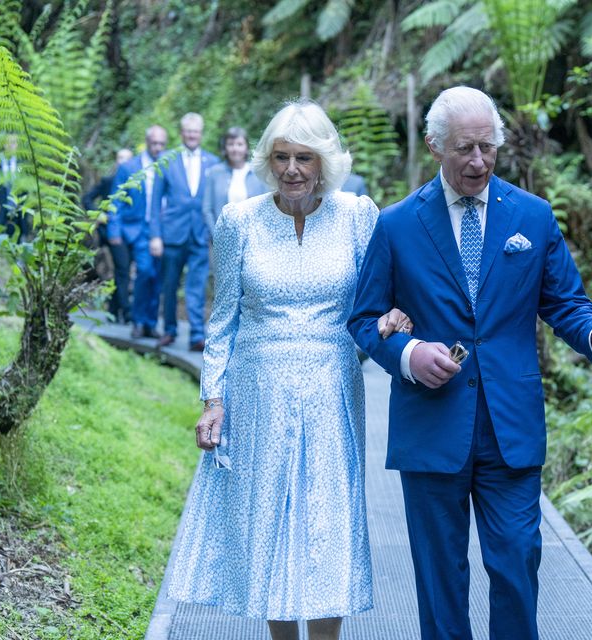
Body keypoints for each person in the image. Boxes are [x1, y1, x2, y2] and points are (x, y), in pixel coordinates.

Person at [348, 86, 592, 640]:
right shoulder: (397, 224)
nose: (478, 161)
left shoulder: (533, 215)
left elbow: (566, 302)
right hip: (431, 427)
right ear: (435, 146)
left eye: (487, 147)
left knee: (517, 564)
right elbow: (363, 320)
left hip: (511, 424)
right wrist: (408, 354)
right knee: (439, 579)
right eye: (464, 148)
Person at [167, 100, 412, 640]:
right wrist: (213, 398)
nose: (293, 169)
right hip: (257, 391)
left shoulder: (358, 215)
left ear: (325, 161)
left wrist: (394, 319)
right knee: (271, 521)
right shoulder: (239, 221)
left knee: (325, 521)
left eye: (305, 157)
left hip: (331, 389)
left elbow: (376, 304)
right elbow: (223, 316)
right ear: (267, 161)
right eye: (281, 157)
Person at [150, 113, 220, 351]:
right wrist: (155, 235)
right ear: (181, 133)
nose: (192, 135)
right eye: (188, 131)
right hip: (172, 234)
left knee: (197, 287)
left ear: (201, 133)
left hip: (199, 235)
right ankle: (169, 330)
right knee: (169, 285)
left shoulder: (212, 163)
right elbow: (155, 201)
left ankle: (197, 335)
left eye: (196, 131)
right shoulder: (167, 160)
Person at [108, 125, 169, 338]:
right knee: (144, 272)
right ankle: (138, 320)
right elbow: (115, 198)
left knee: (157, 276)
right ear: (147, 142)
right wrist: (113, 229)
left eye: (162, 144)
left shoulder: (168, 165)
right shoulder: (129, 167)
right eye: (154, 143)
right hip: (137, 228)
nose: (158, 147)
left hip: (161, 229)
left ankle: (150, 323)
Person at [83, 148, 134, 323]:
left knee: (122, 271)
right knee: (122, 270)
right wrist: (99, 214)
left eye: (127, 159)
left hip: (131, 234)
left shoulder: (136, 183)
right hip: (110, 234)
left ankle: (113, 310)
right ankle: (126, 311)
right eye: (120, 158)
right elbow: (87, 198)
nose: (123, 162)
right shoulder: (108, 181)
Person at [201, 126, 268, 236]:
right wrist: (216, 236)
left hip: (253, 237)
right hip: (222, 237)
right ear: (225, 148)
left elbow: (266, 207)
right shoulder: (214, 173)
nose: (235, 148)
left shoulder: (258, 173)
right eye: (231, 144)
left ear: (246, 148)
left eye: (239, 144)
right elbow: (207, 209)